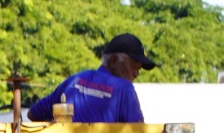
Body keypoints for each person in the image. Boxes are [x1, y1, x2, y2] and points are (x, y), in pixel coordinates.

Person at [27, 33, 156, 124]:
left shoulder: (74, 80)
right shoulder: (124, 89)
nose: (136, 74)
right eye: (134, 66)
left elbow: (33, 114)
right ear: (114, 60)